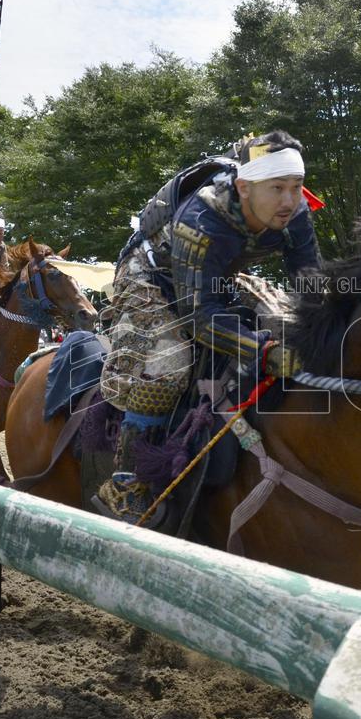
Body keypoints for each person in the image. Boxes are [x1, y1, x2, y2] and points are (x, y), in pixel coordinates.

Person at [94, 130, 322, 527]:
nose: (289, 200)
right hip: (150, 275)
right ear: (244, 188)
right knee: (168, 365)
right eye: (277, 188)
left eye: (296, 186)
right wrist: (264, 351)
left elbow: (312, 286)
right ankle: (125, 483)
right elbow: (199, 319)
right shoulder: (201, 218)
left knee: (285, 321)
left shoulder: (296, 212)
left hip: (214, 275)